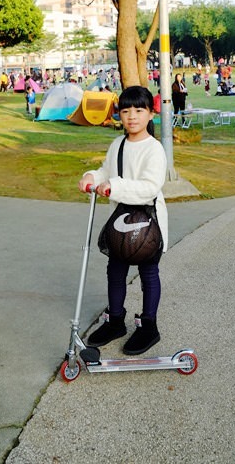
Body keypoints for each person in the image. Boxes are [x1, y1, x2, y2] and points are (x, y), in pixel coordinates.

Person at [78, 86, 168, 355]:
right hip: (119, 223)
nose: (132, 116)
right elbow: (106, 170)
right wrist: (91, 177)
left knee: (148, 273)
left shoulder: (154, 149)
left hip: (147, 223)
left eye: (139, 110)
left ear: (150, 114)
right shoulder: (118, 144)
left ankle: (148, 326)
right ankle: (116, 320)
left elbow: (150, 186)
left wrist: (113, 186)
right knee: (115, 271)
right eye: (126, 110)